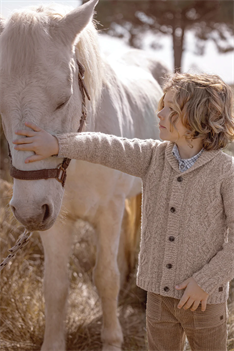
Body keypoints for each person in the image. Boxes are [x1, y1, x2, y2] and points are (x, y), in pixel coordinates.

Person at [13, 73, 234, 351]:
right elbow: (104, 146)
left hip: (205, 301)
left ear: (200, 117)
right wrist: (57, 144)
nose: (160, 113)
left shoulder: (227, 172)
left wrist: (205, 282)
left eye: (172, 109)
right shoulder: (152, 157)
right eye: (161, 105)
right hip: (158, 300)